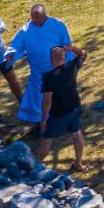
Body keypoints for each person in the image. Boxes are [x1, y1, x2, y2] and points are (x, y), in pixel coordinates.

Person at [8, 5, 71, 128]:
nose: (34, 20)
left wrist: (67, 65)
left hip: (57, 68)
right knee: (39, 97)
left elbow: (67, 45)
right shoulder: (26, 30)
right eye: (32, 17)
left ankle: (63, 119)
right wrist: (11, 54)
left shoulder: (58, 25)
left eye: (37, 17)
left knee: (59, 95)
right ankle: (40, 122)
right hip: (38, 72)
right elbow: (16, 44)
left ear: (45, 15)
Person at [36, 43, 87, 171]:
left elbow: (47, 100)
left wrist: (43, 119)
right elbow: (83, 54)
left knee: (45, 142)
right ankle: (78, 163)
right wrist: (72, 47)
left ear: (51, 59)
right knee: (76, 134)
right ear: (64, 57)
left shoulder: (48, 77)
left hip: (59, 114)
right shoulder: (72, 67)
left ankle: (32, 167)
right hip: (74, 107)